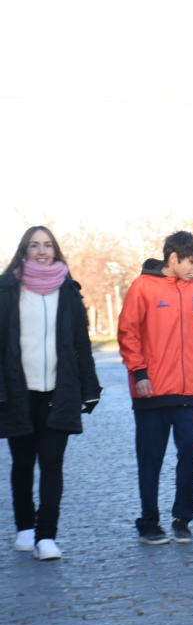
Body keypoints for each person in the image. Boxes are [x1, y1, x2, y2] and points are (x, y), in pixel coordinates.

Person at [0, 226, 101, 560]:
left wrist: (90, 387)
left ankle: (47, 536)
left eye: (47, 245)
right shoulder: (7, 289)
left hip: (59, 391)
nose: (42, 251)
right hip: (18, 391)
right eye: (34, 245)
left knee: (52, 462)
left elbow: (81, 345)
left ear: (55, 250)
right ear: (24, 250)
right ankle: (25, 529)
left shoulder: (68, 291)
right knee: (23, 462)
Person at [118, 230, 193, 545]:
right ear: (173, 258)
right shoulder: (142, 287)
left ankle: (183, 518)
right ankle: (148, 522)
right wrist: (139, 372)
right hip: (151, 391)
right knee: (151, 459)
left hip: (188, 392)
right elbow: (128, 332)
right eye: (191, 262)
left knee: (189, 453)